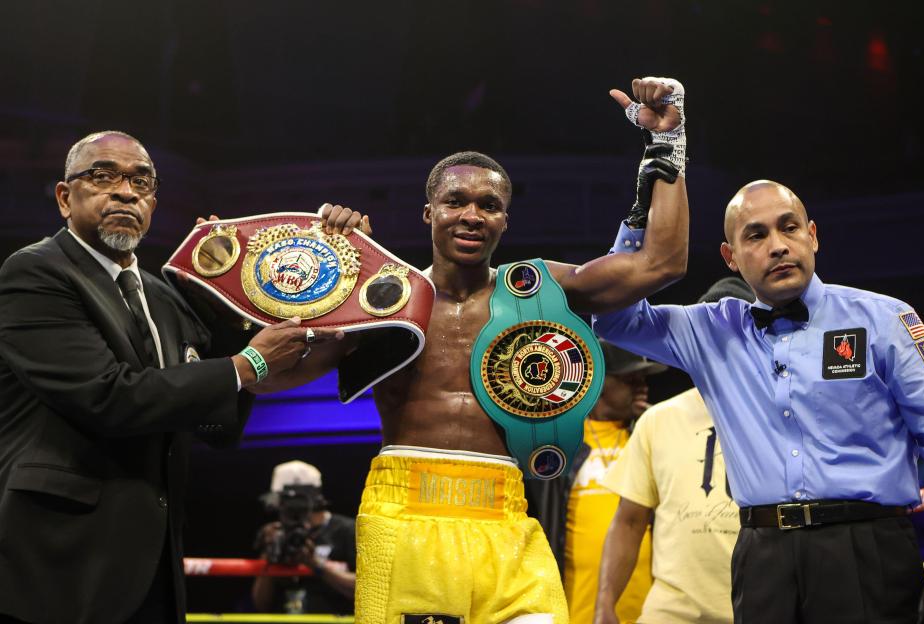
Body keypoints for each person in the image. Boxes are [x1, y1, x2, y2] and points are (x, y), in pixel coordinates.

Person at [256, 76, 690, 624]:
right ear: (428, 212)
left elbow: (662, 264)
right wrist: (326, 281)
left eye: (489, 204)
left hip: (506, 513)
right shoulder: (383, 301)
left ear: (505, 219)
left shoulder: (539, 290)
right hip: (403, 512)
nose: (471, 215)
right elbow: (270, 377)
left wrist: (668, 142)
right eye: (455, 201)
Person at [0, 131, 337, 624]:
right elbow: (108, 398)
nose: (125, 191)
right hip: (59, 560)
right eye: (103, 175)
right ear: (64, 198)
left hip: (151, 559)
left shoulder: (161, 295)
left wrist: (226, 298)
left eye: (141, 181)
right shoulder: (35, 274)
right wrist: (249, 364)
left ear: (153, 202)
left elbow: (212, 421)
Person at [593, 180, 924, 623]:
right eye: (756, 235)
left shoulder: (883, 319)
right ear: (730, 257)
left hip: (867, 548)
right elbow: (612, 314)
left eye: (789, 228)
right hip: (763, 557)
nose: (777, 246)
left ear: (812, 235)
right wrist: (641, 221)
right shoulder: (711, 330)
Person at [594, 277, 755, 624]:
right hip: (672, 613)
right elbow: (629, 520)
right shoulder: (658, 420)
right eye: (710, 335)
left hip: (760, 606)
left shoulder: (782, 417)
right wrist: (605, 603)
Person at [527, 341, 667, 624]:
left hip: (653, 611)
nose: (642, 385)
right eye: (630, 378)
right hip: (576, 609)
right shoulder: (560, 447)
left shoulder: (652, 437)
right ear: (598, 382)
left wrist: (651, 422)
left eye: (644, 378)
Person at [252, 461, 355, 615]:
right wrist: (269, 555)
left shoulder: (346, 530)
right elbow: (261, 604)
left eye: (299, 501)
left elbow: (368, 591)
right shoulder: (278, 536)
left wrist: (316, 565)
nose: (294, 508)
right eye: (288, 502)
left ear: (315, 498)